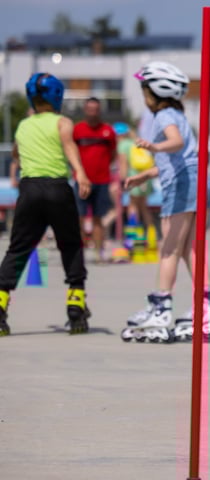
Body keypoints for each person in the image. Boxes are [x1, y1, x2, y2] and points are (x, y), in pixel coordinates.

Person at [121, 61, 210, 343]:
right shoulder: (177, 114)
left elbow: (173, 144)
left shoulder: (164, 117)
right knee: (190, 250)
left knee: (169, 250)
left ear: (154, 92)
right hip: (196, 180)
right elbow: (181, 155)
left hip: (183, 184)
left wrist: (154, 146)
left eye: (145, 91)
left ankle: (161, 308)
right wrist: (145, 175)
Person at [0, 73, 92, 336]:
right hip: (56, 189)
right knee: (70, 244)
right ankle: (76, 306)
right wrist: (81, 174)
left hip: (29, 190)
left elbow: (17, 152)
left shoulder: (23, 125)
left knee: (18, 248)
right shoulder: (63, 122)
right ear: (57, 97)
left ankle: (0, 304)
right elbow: (69, 146)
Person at [73, 97, 116, 263]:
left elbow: (113, 154)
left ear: (99, 110)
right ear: (85, 110)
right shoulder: (77, 130)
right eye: (89, 109)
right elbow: (71, 153)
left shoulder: (108, 131)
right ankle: (79, 254)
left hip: (102, 180)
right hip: (82, 180)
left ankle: (99, 253)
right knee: (80, 217)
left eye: (95, 109)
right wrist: (79, 172)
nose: (92, 112)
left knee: (99, 218)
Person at [115, 122, 156, 234]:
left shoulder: (123, 145)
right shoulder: (135, 142)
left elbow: (123, 165)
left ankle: (134, 235)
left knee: (132, 206)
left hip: (133, 178)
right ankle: (151, 234)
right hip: (145, 177)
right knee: (143, 206)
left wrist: (123, 181)